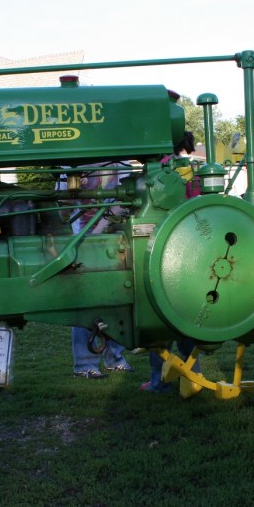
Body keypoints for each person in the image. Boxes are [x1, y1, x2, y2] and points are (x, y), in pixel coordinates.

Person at [142, 132, 200, 391]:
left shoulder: (161, 167)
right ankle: (192, 376)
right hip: (192, 244)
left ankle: (159, 382)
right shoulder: (193, 168)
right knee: (186, 316)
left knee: (160, 321)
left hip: (164, 243)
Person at [71, 162, 134, 379]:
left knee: (117, 300)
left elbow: (123, 200)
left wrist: (98, 229)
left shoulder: (121, 165)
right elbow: (62, 201)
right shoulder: (72, 165)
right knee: (86, 302)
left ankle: (114, 358)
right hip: (81, 240)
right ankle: (84, 364)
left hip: (112, 240)